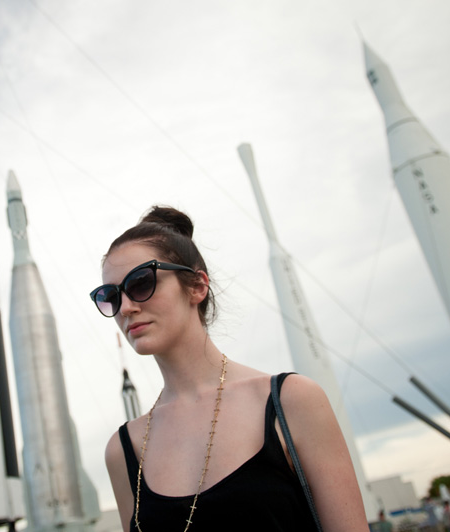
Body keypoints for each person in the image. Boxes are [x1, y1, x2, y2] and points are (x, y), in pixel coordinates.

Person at [92, 206, 369, 531]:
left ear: (197, 286)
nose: (126, 307)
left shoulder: (290, 402)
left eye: (141, 282)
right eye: (110, 295)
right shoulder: (124, 450)